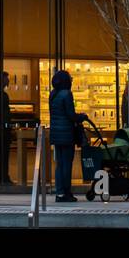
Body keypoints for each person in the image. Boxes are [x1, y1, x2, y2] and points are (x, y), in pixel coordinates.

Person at [48, 70, 87, 202]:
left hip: (56, 135)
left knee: (59, 164)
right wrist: (81, 117)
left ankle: (59, 192)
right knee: (67, 164)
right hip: (66, 134)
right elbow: (71, 115)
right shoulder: (67, 94)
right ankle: (67, 192)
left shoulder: (53, 94)